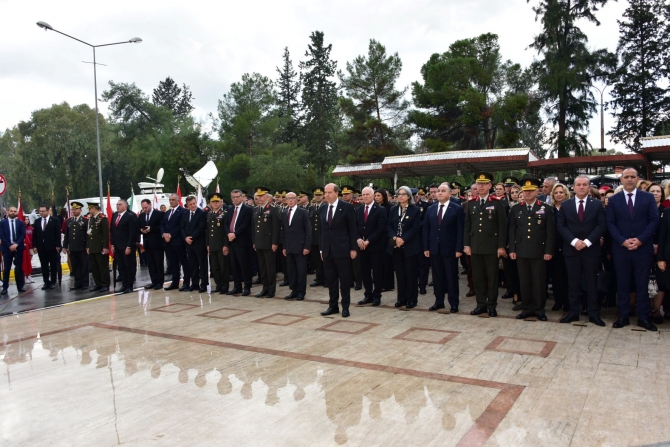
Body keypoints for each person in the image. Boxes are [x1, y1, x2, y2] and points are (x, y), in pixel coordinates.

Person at [606, 167, 660, 331]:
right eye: (626, 177)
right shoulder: (614, 200)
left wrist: (641, 240)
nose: (629, 179)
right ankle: (623, 315)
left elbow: (654, 220)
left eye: (632, 177)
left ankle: (643, 317)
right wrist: (623, 241)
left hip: (642, 249)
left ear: (637, 179)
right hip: (621, 249)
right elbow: (610, 223)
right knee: (622, 283)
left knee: (641, 284)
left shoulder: (648, 198)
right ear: (621, 180)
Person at [508, 178, 555, 321]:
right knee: (525, 281)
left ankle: (539, 309)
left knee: (539, 281)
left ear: (537, 191)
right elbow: (512, 231)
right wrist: (512, 249)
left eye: (531, 191)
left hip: (539, 251)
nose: (528, 193)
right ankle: (527, 308)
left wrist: (548, 251)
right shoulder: (516, 208)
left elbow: (550, 233)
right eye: (525, 191)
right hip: (521, 251)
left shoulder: (546, 208)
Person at [463, 172, 507, 317]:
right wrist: (467, 245)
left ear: (490, 185)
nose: (480, 186)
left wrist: (501, 246)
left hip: (491, 248)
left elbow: (502, 226)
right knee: (478, 277)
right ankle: (480, 304)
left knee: (492, 278)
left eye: (484, 184)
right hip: (475, 247)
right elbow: (467, 227)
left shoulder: (497, 202)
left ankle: (492, 305)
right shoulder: (472, 203)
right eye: (478, 183)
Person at [422, 182, 464, 312]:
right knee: (437, 276)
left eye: (443, 191)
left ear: (450, 193)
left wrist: (458, 248)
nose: (439, 193)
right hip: (434, 248)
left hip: (450, 249)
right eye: (438, 191)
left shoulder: (457, 208)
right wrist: (426, 248)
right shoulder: (431, 209)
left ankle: (454, 302)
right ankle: (439, 301)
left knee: (451, 277)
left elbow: (460, 231)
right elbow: (426, 230)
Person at [319, 183, 358, 317]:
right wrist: (321, 250)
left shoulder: (346, 207)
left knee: (345, 280)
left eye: (329, 192)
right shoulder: (323, 208)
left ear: (336, 193)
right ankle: (333, 306)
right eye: (325, 192)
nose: (327, 195)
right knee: (331, 280)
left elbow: (353, 229)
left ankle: (345, 306)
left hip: (343, 250)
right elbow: (322, 232)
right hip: (327, 251)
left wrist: (353, 248)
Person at [387, 186, 422, 309]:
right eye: (398, 194)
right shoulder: (393, 209)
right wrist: (395, 238)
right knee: (400, 274)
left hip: (410, 246)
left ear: (408, 196)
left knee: (410, 274)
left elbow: (415, 228)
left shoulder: (415, 210)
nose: (400, 196)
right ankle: (401, 298)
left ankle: (412, 299)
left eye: (403, 194)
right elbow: (389, 226)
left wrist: (403, 239)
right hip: (396, 246)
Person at [355, 187, 388, 307]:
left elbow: (381, 229)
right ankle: (367, 295)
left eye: (368, 194)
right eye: (363, 194)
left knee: (377, 272)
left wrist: (368, 241)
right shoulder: (358, 210)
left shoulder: (380, 210)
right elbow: (354, 227)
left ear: (373, 195)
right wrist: (358, 239)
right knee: (365, 272)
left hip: (375, 246)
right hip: (362, 247)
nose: (365, 196)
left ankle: (377, 296)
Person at [251, 186, 281, 298]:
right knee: (262, 267)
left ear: (267, 197)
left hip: (269, 244)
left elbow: (276, 228)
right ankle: (265, 287)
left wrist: (274, 243)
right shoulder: (255, 210)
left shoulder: (273, 210)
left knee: (270, 267)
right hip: (259, 243)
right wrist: (254, 242)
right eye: (258, 196)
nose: (260, 198)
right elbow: (253, 228)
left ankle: (271, 290)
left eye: (262, 196)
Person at [281, 192, 312, 300]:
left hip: (300, 247)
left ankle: (301, 292)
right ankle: (293, 290)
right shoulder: (284, 213)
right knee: (291, 270)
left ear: (296, 200)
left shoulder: (302, 212)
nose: (290, 200)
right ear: (285, 200)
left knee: (301, 270)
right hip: (289, 247)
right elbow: (284, 231)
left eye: (292, 198)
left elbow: (308, 230)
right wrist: (284, 246)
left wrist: (307, 246)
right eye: (288, 198)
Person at [226, 189, 254, 296]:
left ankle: (247, 287)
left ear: (242, 197)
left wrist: (235, 233)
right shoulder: (230, 209)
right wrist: (229, 233)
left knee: (245, 265)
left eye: (237, 197)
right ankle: (237, 287)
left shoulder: (247, 210)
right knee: (234, 265)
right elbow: (226, 223)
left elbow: (245, 224)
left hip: (243, 241)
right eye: (233, 197)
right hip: (232, 241)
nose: (235, 199)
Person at [548, 183, 570, 312]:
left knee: (568, 276)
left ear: (566, 194)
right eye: (556, 193)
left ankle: (568, 302)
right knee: (556, 277)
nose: (558, 195)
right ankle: (558, 301)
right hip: (554, 247)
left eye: (561, 192)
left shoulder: (570, 208)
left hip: (568, 246)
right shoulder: (550, 209)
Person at [162, 194, 190, 291]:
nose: (171, 201)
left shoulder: (183, 211)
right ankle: (175, 282)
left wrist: (171, 235)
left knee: (184, 262)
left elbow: (181, 226)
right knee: (173, 263)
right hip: (168, 242)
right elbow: (163, 225)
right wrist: (164, 234)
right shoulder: (167, 212)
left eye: (173, 200)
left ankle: (186, 283)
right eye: (170, 200)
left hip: (178, 241)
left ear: (178, 200)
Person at [110, 199, 138, 294]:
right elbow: (112, 231)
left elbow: (132, 233)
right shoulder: (114, 216)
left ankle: (129, 286)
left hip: (126, 246)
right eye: (117, 204)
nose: (118, 206)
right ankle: (124, 284)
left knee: (128, 266)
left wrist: (129, 246)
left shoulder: (130, 216)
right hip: (117, 246)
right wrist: (112, 244)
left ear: (126, 206)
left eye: (120, 204)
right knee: (121, 267)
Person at [181, 196, 208, 293]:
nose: (193, 206)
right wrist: (185, 238)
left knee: (202, 264)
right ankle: (195, 283)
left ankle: (204, 284)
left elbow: (201, 228)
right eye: (190, 204)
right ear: (187, 205)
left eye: (194, 203)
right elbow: (182, 228)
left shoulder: (202, 213)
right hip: (189, 243)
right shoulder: (185, 214)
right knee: (192, 264)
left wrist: (191, 237)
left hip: (199, 242)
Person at [205, 192, 231, 294]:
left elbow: (226, 231)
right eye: (213, 202)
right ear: (210, 203)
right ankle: (218, 285)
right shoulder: (210, 214)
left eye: (217, 202)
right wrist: (207, 244)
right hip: (212, 244)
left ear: (221, 202)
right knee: (215, 267)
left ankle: (225, 286)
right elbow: (208, 231)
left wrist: (226, 244)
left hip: (221, 244)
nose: (215, 204)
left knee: (223, 266)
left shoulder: (225, 213)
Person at [33, 205, 61, 290]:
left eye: (43, 211)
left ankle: (53, 282)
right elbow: (35, 235)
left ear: (48, 211)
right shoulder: (37, 221)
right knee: (44, 265)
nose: (41, 213)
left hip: (52, 247)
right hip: (41, 247)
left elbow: (58, 234)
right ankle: (46, 282)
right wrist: (34, 246)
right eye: (40, 211)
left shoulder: (55, 220)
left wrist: (57, 245)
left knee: (53, 265)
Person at [138, 199, 165, 290]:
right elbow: (138, 227)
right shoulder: (141, 216)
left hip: (157, 243)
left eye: (146, 207)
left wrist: (151, 229)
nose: (145, 209)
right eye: (143, 208)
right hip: (147, 243)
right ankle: (154, 281)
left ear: (150, 205)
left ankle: (160, 282)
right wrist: (141, 230)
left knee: (158, 263)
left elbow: (162, 227)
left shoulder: (159, 214)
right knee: (151, 264)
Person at [62, 201, 89, 291]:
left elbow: (87, 235)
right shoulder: (69, 221)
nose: (74, 211)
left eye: (76, 209)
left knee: (84, 265)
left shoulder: (85, 221)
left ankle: (85, 283)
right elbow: (67, 235)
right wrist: (65, 246)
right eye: (73, 209)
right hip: (73, 247)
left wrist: (87, 246)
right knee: (75, 266)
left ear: (81, 210)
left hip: (82, 247)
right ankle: (78, 283)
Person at [0, 206, 26, 295]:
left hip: (18, 248)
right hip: (7, 248)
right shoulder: (3, 223)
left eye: (15, 211)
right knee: (7, 268)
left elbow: (23, 234)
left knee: (19, 268)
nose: (13, 213)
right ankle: (5, 287)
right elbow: (2, 235)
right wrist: (10, 245)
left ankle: (20, 286)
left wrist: (16, 244)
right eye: (11, 211)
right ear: (8, 212)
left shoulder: (20, 223)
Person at [86, 204, 110, 292]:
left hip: (100, 247)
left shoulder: (102, 218)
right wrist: (88, 246)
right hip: (93, 247)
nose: (89, 210)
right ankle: (98, 283)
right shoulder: (92, 219)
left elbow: (105, 234)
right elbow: (89, 234)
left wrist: (105, 247)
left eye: (90, 209)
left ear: (94, 208)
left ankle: (105, 284)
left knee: (102, 266)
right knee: (94, 267)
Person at [309, 187, 326, 288]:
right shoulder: (311, 208)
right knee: (316, 260)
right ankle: (319, 278)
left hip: (323, 237)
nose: (318, 197)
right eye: (316, 195)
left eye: (320, 195)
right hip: (314, 238)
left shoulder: (326, 206)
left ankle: (326, 279)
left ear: (323, 195)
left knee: (324, 260)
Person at [22, 216, 34, 283]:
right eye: (25, 219)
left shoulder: (31, 228)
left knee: (29, 262)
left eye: (27, 219)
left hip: (31, 247)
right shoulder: (22, 228)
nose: (27, 221)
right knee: (25, 262)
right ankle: (24, 276)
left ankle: (29, 275)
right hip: (25, 247)